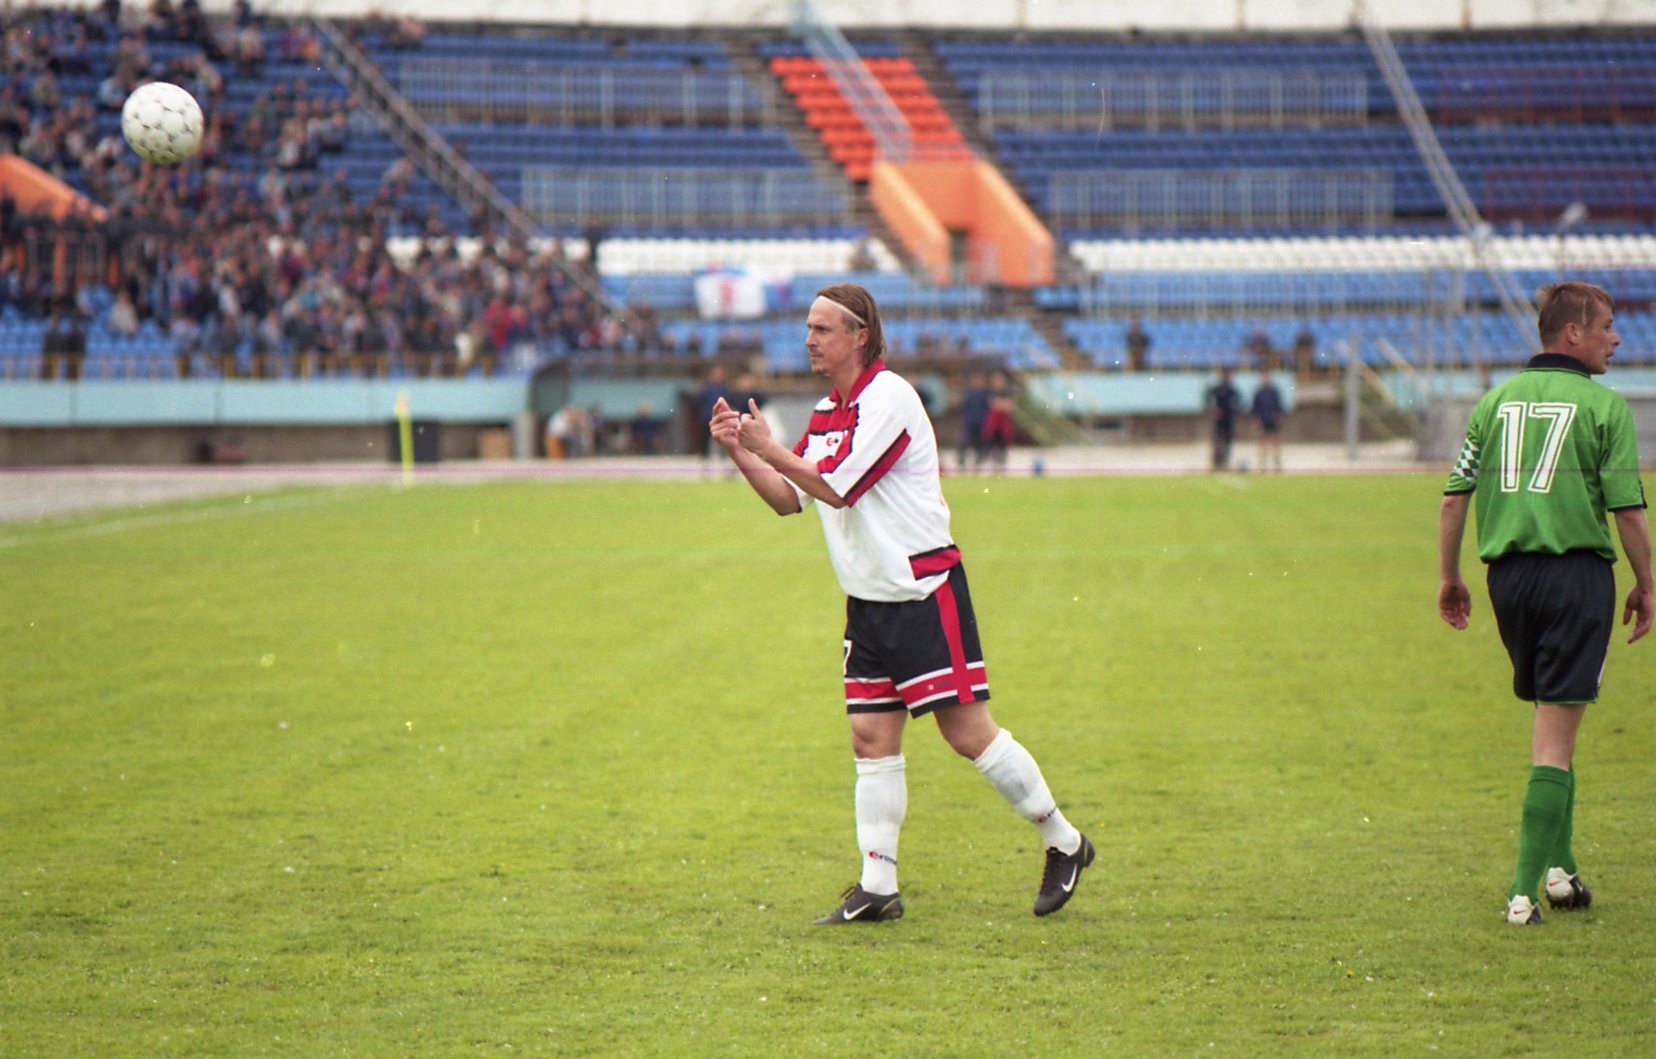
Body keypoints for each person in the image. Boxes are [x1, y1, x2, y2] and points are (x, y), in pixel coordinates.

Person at [709, 283, 1092, 924]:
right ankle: (878, 888)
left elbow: (839, 488)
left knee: (967, 734)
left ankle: (1065, 840)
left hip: (921, 591)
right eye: (808, 328)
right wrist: (739, 449)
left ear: (860, 336)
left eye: (823, 329)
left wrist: (768, 446)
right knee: (870, 739)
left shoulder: (889, 398)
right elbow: (787, 499)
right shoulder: (828, 411)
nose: (809, 340)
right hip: (868, 600)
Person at [1437, 281, 1653, 927]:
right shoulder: (1604, 406)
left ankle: (1561, 872)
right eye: (1607, 326)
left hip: (1508, 580)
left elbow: (1453, 499)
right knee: (1555, 737)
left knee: (1556, 717)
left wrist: (1450, 577)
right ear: (1573, 333)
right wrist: (1647, 583)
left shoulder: (1493, 402)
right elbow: (1629, 512)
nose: (1617, 338)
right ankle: (1522, 893)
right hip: (1575, 577)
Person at [1205, 367, 1241, 471]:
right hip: (1219, 419)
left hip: (1229, 418)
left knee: (1228, 440)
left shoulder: (1232, 390)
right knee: (1218, 440)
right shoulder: (1218, 389)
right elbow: (1208, 397)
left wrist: (1234, 410)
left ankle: (1225, 460)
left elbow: (1239, 401)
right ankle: (1216, 460)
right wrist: (1212, 409)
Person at [1250, 370, 1285, 473]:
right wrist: (1256, 419)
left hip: (1272, 420)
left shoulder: (1274, 392)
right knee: (1262, 441)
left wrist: (1278, 417)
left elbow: (1278, 406)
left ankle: (1277, 464)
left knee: (1276, 441)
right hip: (1263, 420)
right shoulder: (1259, 392)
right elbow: (1255, 408)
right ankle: (1262, 464)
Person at [956, 370, 990, 472]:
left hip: (981, 422)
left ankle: (978, 462)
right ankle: (962, 461)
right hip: (970, 422)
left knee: (979, 443)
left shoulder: (985, 393)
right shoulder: (969, 393)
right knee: (966, 441)